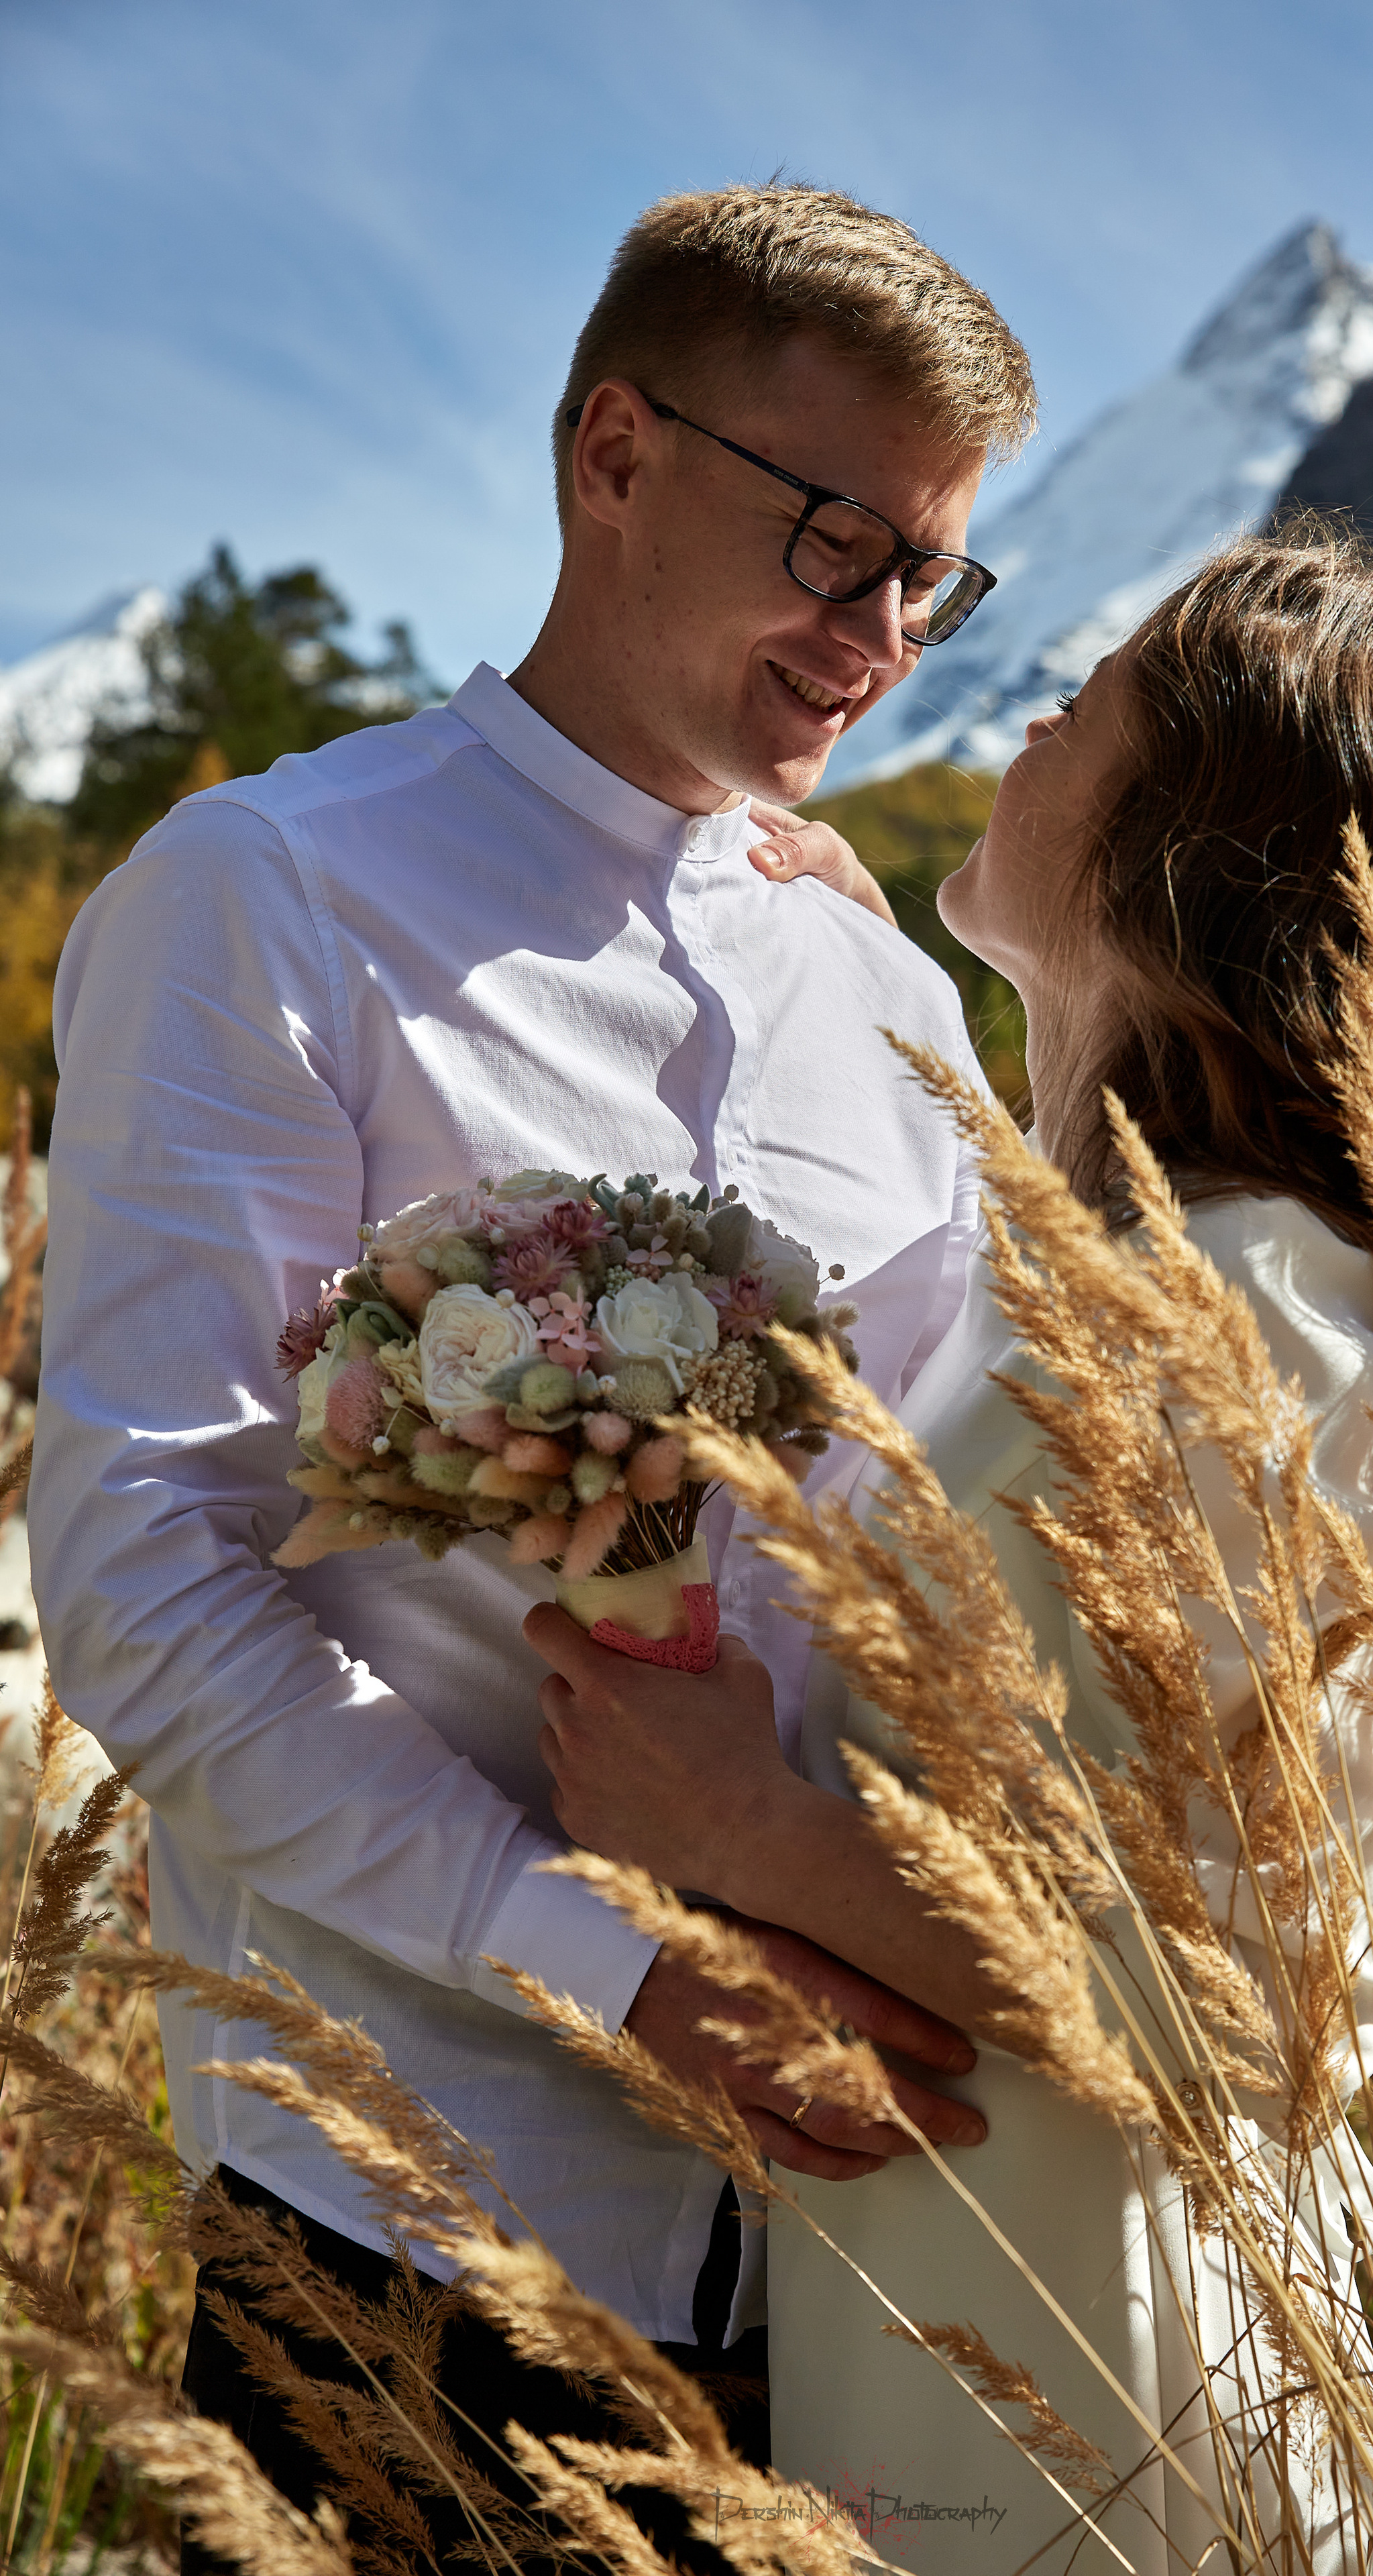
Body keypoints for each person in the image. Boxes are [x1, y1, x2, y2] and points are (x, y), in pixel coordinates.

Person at [527, 522, 1373, 2569]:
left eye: (1090, 699)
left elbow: (1285, 2002)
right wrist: (890, 964)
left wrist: (745, 1831)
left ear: (1199, 851)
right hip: (1017, 2345)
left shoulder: (1255, 1317)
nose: (1028, 713)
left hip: (1108, 2417)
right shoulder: (1153, 1277)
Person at [29, 182, 1038, 2566]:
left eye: (936, 576)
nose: (884, 633)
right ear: (614, 452)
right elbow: (146, 1575)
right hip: (412, 2231)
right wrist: (618, 1978)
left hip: (879, 2271)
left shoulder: (891, 996)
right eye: (835, 539)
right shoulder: (273, 892)